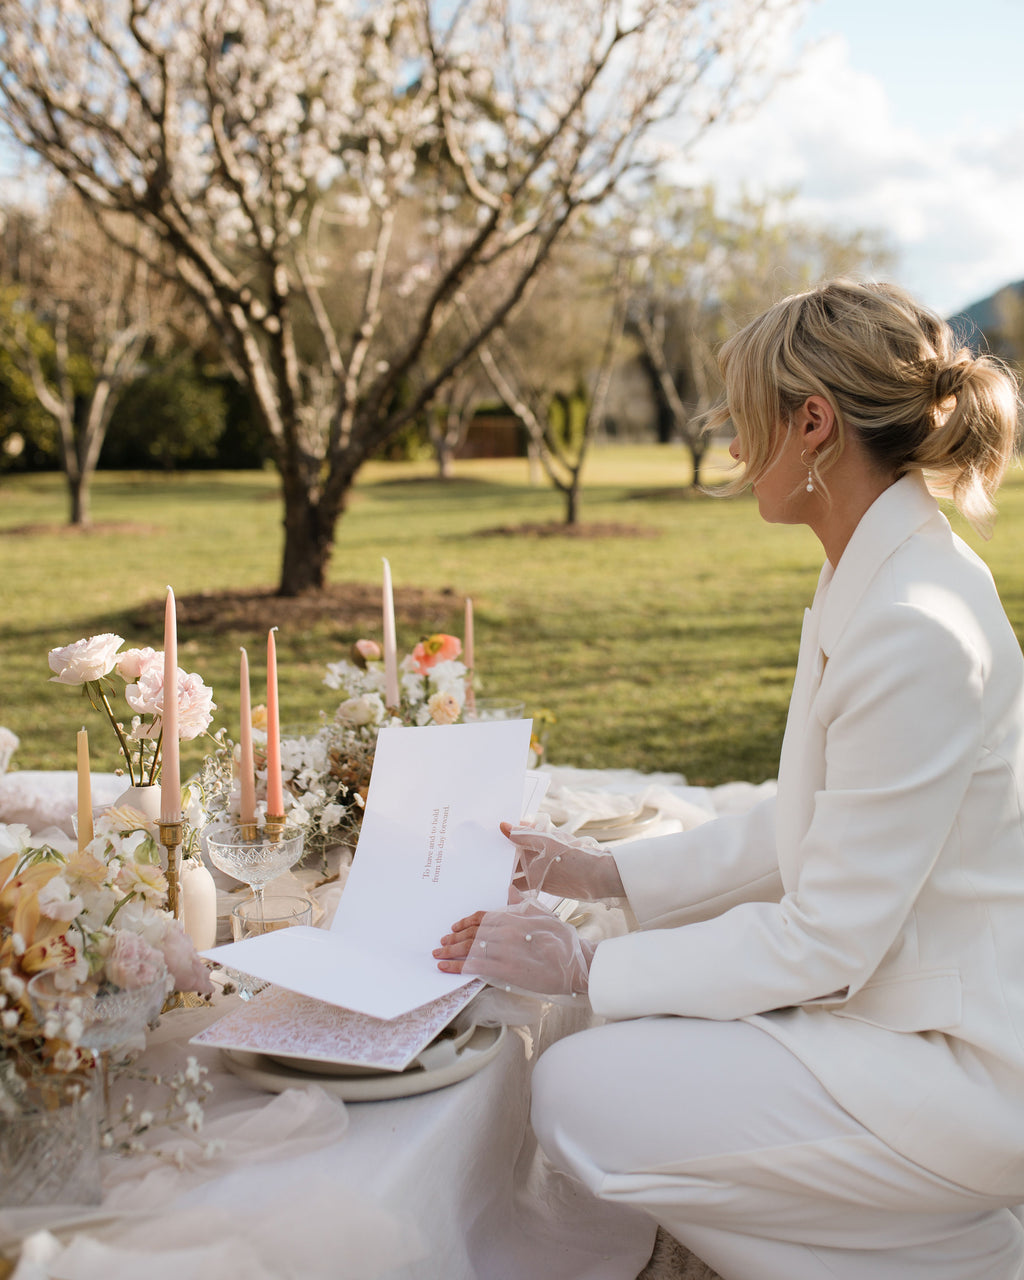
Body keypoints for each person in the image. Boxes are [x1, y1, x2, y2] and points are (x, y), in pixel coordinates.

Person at [434, 279, 1024, 1279]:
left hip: (961, 1062)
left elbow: (830, 939)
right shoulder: (870, 569)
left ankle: (943, 1253)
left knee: (578, 1091)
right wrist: (600, 876)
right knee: (615, 1010)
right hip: (898, 1010)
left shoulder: (913, 621)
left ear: (812, 424)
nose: (728, 438)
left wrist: (586, 965)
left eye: (743, 412)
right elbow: (807, 824)